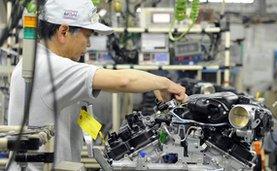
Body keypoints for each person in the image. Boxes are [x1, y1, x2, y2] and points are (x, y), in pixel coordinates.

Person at [7, 0, 187, 170]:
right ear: (64, 32)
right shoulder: (47, 66)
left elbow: (84, 115)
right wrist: (164, 83)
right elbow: (123, 81)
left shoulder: (50, 63)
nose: (90, 43)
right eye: (87, 35)